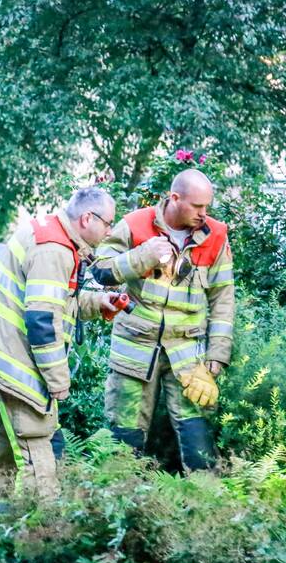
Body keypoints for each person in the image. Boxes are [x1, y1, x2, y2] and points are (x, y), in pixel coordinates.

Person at [0, 187, 125, 514]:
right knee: (38, 460)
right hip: (15, 370)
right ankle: (43, 539)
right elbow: (42, 321)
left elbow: (50, 301)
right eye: (108, 224)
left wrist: (98, 302)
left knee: (0, 455)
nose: (109, 232)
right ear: (87, 218)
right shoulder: (55, 250)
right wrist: (58, 381)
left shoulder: (48, 233)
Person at [92, 169, 236, 472]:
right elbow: (101, 269)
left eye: (207, 206)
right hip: (135, 346)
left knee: (197, 434)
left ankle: (205, 505)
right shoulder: (134, 224)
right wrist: (144, 255)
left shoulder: (217, 236)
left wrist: (218, 356)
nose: (203, 214)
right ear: (175, 198)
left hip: (187, 353)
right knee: (123, 433)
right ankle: (119, 503)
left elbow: (223, 299)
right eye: (197, 206)